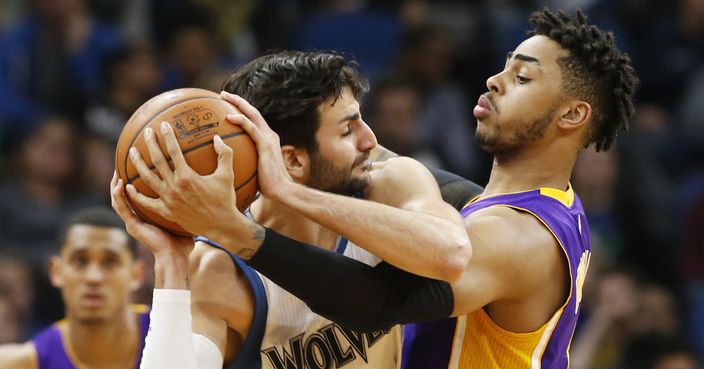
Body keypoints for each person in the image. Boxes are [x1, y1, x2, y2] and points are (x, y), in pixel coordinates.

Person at [125, 7, 638, 369]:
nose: (494, 81)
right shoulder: (497, 203)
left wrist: (259, 213)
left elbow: (380, 300)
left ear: (573, 115)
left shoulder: (518, 235)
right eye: (504, 67)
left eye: (522, 79)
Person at [113, 51, 482, 369]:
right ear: (291, 159)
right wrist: (171, 261)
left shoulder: (388, 181)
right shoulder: (220, 272)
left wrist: (287, 192)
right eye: (346, 130)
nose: (370, 140)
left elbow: (450, 253)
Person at [0, 207, 148, 369]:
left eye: (110, 262)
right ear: (56, 271)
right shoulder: (22, 363)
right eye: (80, 261)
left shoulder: (172, 332)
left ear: (136, 274)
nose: (94, 277)